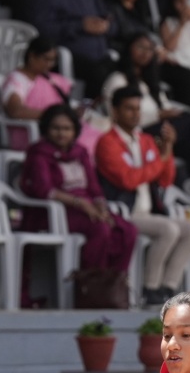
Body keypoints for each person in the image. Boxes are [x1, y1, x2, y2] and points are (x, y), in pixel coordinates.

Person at [97, 85, 190, 308]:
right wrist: (160, 160)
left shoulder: (146, 140)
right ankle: (150, 288)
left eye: (138, 108)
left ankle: (168, 287)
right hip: (123, 212)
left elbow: (164, 179)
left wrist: (168, 149)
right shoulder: (107, 142)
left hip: (149, 211)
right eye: (129, 108)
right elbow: (128, 179)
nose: (135, 114)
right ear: (115, 111)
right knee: (168, 229)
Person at [21, 104, 138, 299]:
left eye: (67, 128)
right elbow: (44, 190)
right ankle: (91, 288)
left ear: (75, 131)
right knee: (100, 229)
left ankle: (113, 286)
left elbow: (94, 187)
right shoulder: (39, 153)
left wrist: (101, 206)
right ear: (46, 129)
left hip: (86, 208)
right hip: (54, 211)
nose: (61, 133)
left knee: (128, 230)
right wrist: (80, 203)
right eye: (56, 128)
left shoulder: (80, 152)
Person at [99, 33, 190, 177]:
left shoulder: (149, 81)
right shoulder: (117, 80)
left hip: (163, 132)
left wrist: (168, 113)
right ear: (128, 49)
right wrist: (158, 115)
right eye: (140, 47)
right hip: (140, 133)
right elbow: (115, 116)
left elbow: (165, 106)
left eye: (150, 49)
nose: (146, 52)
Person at [34, 0, 116, 97]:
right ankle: (90, 108)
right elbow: (43, 29)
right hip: (69, 56)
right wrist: (81, 26)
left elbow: (112, 22)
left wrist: (105, 26)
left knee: (128, 69)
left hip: (101, 56)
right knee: (100, 74)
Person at [2, 35, 96, 151]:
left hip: (57, 131)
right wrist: (54, 116)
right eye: (46, 59)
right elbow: (16, 111)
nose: (50, 64)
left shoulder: (49, 79)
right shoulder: (17, 80)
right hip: (31, 133)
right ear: (32, 56)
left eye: (53, 60)